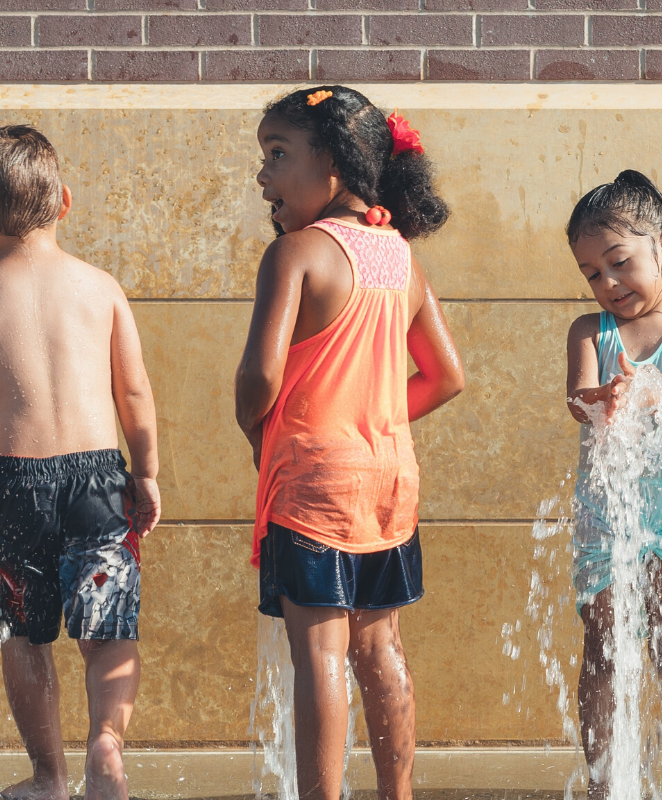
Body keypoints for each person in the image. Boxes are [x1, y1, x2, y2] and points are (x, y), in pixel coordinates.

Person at [233, 85, 464, 800]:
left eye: (277, 154)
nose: (262, 175)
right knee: (380, 647)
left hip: (315, 483)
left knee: (321, 658)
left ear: (330, 162)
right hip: (391, 481)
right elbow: (447, 376)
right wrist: (372, 421)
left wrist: (257, 429)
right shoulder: (398, 256)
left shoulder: (297, 253)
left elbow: (259, 376)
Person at [0, 125, 162, 800]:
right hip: (97, 478)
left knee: (24, 635)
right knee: (107, 628)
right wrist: (144, 472)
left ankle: (48, 777)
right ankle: (106, 746)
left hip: (15, 486)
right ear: (65, 200)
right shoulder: (100, 288)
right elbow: (136, 391)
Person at [562, 170, 662, 800]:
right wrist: (598, 397)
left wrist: (648, 390)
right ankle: (605, 783)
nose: (607, 284)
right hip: (606, 512)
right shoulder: (588, 331)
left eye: (619, 263)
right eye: (591, 272)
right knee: (601, 640)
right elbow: (577, 399)